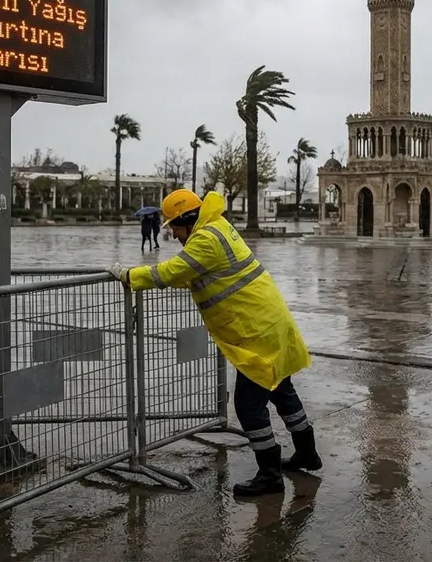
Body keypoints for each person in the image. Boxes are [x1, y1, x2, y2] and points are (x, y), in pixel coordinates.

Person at [108, 189, 319, 497]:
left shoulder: (205, 239)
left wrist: (130, 276)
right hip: (267, 323)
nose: (173, 234)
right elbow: (195, 273)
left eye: (174, 227)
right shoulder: (217, 227)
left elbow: (173, 270)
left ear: (186, 220)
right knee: (281, 390)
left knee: (248, 405)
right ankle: (307, 453)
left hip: (256, 332)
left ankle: (270, 475)